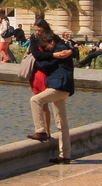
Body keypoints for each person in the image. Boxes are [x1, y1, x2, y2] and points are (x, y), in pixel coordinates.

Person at [27, 31, 75, 164]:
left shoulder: (60, 50)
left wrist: (36, 58)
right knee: (62, 123)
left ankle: (41, 131)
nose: (46, 48)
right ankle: (65, 155)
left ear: (52, 42)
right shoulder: (63, 49)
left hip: (58, 86)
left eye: (46, 45)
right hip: (63, 87)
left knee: (35, 100)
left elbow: (44, 64)